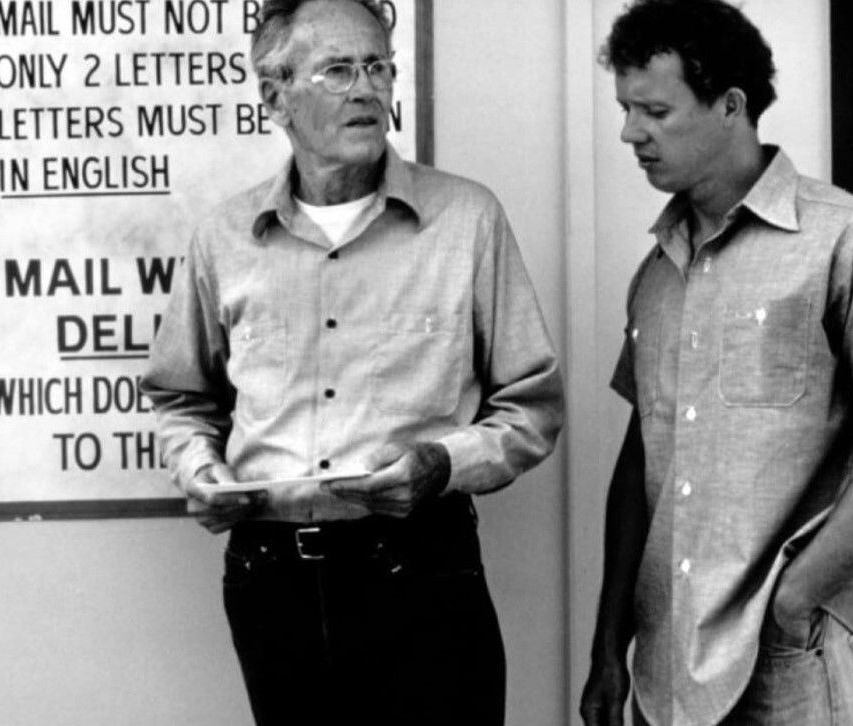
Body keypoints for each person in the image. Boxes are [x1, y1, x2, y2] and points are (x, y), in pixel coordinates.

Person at [140, 1, 563, 723]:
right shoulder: (224, 239)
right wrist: (200, 471)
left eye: (377, 68)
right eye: (337, 70)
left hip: (422, 566)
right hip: (270, 577)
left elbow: (532, 406)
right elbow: (182, 399)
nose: (366, 89)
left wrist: (441, 465)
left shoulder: (467, 220)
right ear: (275, 96)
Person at [579, 1, 853, 724]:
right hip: (665, 676)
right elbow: (644, 459)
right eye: (627, 109)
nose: (631, 132)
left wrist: (791, 600)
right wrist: (607, 646)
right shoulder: (655, 275)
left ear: (731, 105)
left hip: (795, 668)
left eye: (655, 111)